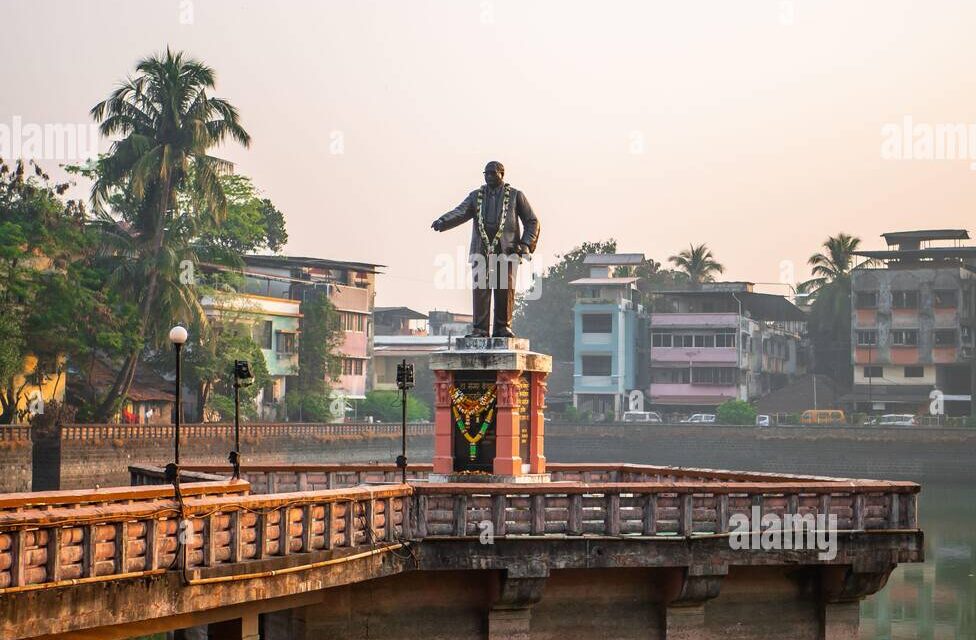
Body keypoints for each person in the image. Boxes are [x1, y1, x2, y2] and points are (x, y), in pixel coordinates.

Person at [431, 161, 540, 337]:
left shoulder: (515, 196)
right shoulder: (476, 196)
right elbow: (461, 211)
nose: (489, 176)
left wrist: (526, 244)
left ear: (502, 174)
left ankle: (502, 328)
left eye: (492, 173)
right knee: (481, 290)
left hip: (507, 250)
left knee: (504, 290)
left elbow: (532, 221)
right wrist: (443, 221)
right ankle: (480, 329)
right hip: (481, 249)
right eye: (486, 173)